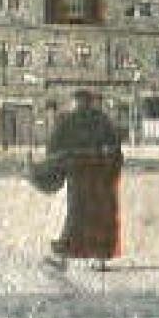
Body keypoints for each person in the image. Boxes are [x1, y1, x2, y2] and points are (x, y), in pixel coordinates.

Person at [40, 89, 124, 273]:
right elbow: (115, 149)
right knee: (99, 216)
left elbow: (53, 148)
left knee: (75, 216)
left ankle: (63, 258)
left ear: (75, 102)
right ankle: (99, 259)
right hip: (99, 175)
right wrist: (111, 171)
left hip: (78, 174)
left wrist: (55, 168)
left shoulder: (67, 121)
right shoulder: (102, 121)